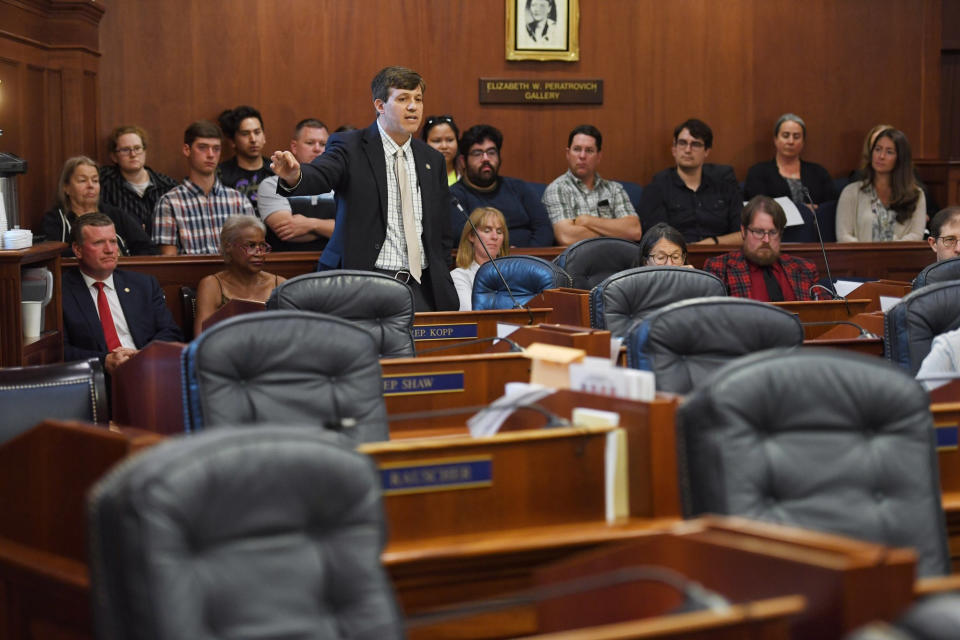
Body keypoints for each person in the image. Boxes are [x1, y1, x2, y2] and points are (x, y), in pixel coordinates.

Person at [270, 66, 458, 312]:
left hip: (421, 287)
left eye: (418, 99)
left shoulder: (431, 159)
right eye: (403, 99)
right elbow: (323, 173)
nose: (413, 107)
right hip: (365, 282)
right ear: (380, 105)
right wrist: (296, 175)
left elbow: (441, 231)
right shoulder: (351, 146)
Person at [62, 213, 182, 375]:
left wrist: (142, 356)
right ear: (77, 250)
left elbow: (171, 332)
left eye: (113, 241)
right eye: (99, 243)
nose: (110, 250)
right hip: (96, 378)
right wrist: (104, 360)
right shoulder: (62, 292)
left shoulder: (143, 285)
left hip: (148, 370)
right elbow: (60, 351)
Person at [153, 120, 254, 255]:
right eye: (202, 147)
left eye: (216, 148)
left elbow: (252, 251)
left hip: (234, 274)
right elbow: (169, 262)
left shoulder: (239, 201)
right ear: (187, 150)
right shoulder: (169, 202)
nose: (211, 154)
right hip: (189, 275)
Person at [636, 118, 743, 245]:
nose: (687, 150)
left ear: (707, 151)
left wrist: (711, 243)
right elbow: (654, 238)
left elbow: (743, 234)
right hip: (675, 260)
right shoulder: (657, 188)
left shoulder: (725, 188)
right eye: (682, 143)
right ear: (674, 149)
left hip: (721, 256)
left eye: (695, 144)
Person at [449, 124, 554, 248]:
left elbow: (544, 229)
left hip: (530, 260)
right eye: (477, 153)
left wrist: (523, 257)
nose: (486, 159)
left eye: (491, 152)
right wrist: (503, 254)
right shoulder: (454, 196)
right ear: (463, 161)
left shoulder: (519, 188)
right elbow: (463, 237)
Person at [703, 196, 820, 301]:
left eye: (773, 232)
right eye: (759, 232)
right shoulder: (719, 268)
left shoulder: (805, 269)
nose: (766, 240)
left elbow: (825, 317)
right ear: (743, 232)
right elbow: (712, 318)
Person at [542, 124, 642, 245]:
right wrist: (616, 232)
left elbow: (634, 231)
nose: (582, 156)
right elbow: (566, 237)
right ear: (568, 154)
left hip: (618, 260)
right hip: (577, 261)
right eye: (577, 149)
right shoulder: (557, 189)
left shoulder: (615, 189)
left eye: (589, 150)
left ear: (599, 156)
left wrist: (586, 220)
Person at [43, 156, 156, 257]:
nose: (91, 185)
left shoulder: (115, 214)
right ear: (66, 187)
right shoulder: (55, 219)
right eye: (82, 180)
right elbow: (53, 255)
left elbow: (147, 248)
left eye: (95, 180)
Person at [194, 215, 286, 336]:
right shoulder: (212, 285)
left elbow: (294, 332)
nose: (259, 253)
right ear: (228, 247)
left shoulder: (280, 284)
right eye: (251, 246)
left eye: (262, 246)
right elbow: (202, 338)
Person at [255, 119, 335, 251]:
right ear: (294, 147)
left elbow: (356, 230)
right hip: (288, 265)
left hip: (338, 266)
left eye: (323, 144)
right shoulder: (272, 185)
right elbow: (286, 232)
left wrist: (311, 224)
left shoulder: (342, 184)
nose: (317, 149)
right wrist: (333, 229)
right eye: (310, 143)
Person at [836, 127, 926, 242]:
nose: (881, 156)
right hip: (859, 258)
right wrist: (868, 254)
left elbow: (916, 236)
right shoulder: (851, 192)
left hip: (901, 258)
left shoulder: (916, 195)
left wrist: (888, 253)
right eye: (878, 149)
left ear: (900, 158)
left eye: (889, 152)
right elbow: (844, 236)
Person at [98, 125, 178, 236]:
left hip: (160, 248)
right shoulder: (103, 182)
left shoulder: (168, 186)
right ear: (114, 156)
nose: (133, 154)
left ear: (144, 151)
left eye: (137, 148)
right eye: (125, 150)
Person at [744, 113, 838, 207]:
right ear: (775, 139)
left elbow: (831, 205)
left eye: (796, 137)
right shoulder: (758, 172)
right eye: (785, 136)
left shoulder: (818, 172)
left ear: (803, 142)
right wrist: (802, 209)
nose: (791, 141)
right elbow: (760, 208)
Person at [450, 207, 509, 311]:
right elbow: (470, 314)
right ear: (471, 236)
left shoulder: (512, 275)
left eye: (499, 232)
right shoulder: (460, 276)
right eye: (487, 230)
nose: (495, 237)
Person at [217, 105, 274, 211]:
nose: (253, 139)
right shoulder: (220, 174)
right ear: (233, 141)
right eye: (245, 134)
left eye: (257, 132)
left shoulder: (276, 170)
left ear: (264, 137)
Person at [421, 115, 461, 186]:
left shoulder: (467, 174)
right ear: (425, 143)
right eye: (437, 141)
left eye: (450, 140)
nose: (444, 146)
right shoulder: (416, 175)